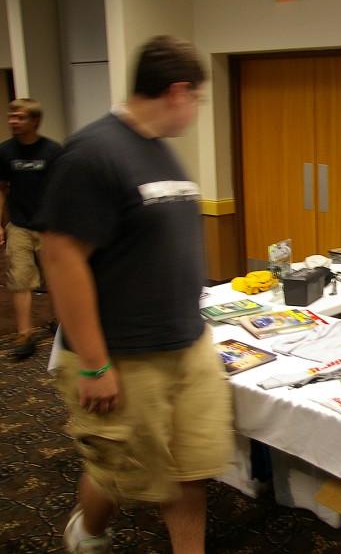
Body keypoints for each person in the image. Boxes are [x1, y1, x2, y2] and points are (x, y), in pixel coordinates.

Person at [39, 35, 234, 554]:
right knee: (127, 470)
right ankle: (90, 532)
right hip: (126, 353)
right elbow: (60, 257)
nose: (195, 110)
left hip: (186, 342)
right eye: (197, 99)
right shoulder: (94, 153)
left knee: (188, 471)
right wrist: (96, 364)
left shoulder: (160, 152)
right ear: (177, 91)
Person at [0, 98, 62, 359]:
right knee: (20, 280)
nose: (13, 121)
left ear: (35, 121)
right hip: (19, 225)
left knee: (55, 278)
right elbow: (1, 189)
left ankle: (58, 322)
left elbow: (62, 190)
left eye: (20, 117)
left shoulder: (52, 151)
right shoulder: (5, 151)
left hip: (49, 226)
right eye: (12, 116)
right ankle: (25, 334)